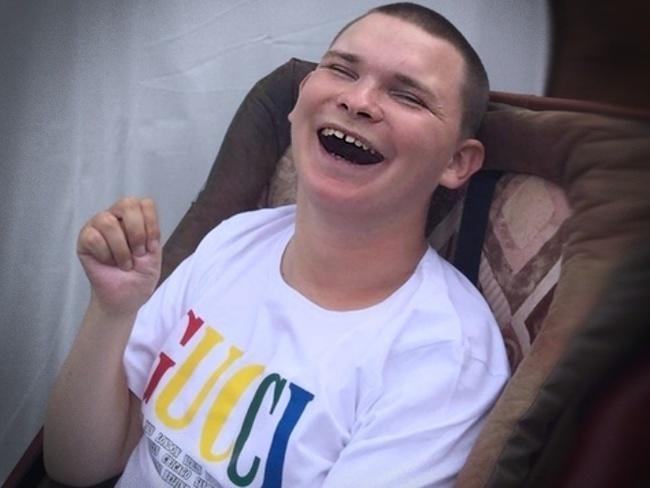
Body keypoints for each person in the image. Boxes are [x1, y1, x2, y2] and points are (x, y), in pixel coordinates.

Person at [44, 3, 509, 487]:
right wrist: (112, 311)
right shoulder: (234, 240)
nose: (358, 101)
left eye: (407, 96)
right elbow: (78, 466)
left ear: (456, 162)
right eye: (341, 70)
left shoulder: (445, 357)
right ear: (300, 98)